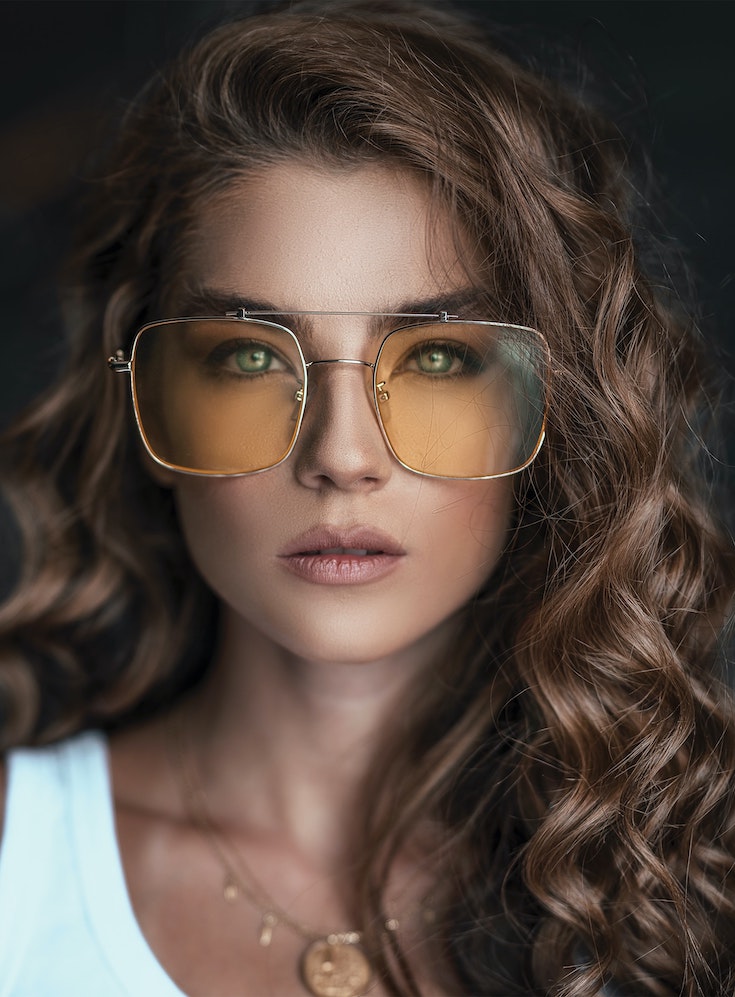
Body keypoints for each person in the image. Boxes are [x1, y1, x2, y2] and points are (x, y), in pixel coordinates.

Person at [0, 1, 733, 994]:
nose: (342, 456)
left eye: (437, 357)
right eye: (250, 356)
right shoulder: (19, 855)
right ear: (144, 401)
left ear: (554, 405)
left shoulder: (681, 884)